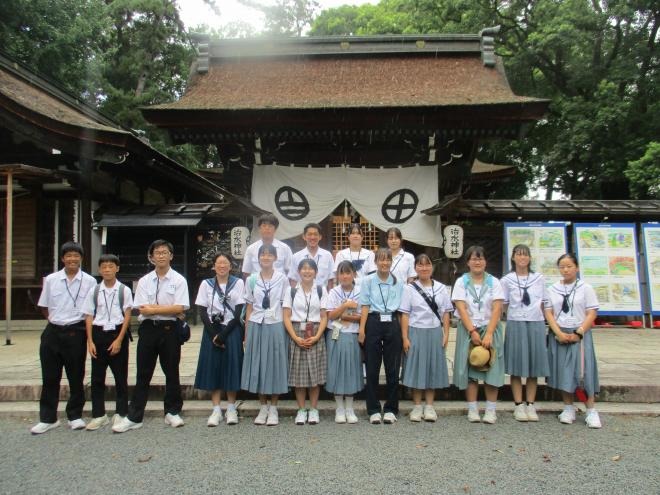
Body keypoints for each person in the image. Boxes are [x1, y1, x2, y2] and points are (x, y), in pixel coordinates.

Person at [113, 240, 190, 433]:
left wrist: (155, 308)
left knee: (172, 371)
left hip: (170, 330)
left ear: (171, 256)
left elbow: (180, 308)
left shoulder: (179, 280)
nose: (161, 255)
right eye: (157, 252)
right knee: (143, 373)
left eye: (165, 252)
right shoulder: (145, 281)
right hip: (148, 330)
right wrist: (166, 309)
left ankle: (172, 411)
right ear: (151, 257)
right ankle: (135, 416)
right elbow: (142, 309)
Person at [31, 241, 97, 434]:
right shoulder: (51, 279)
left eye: (76, 256)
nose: (72, 259)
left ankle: (75, 415)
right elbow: (44, 305)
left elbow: (92, 310)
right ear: (62, 258)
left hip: (76, 331)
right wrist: (54, 321)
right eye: (68, 255)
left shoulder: (90, 281)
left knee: (76, 375)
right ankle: (48, 418)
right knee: (50, 376)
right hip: (53, 331)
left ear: (81, 259)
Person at [544, 253, 601, 428]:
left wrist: (580, 332)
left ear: (576, 267)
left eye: (569, 266)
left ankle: (591, 410)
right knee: (562, 371)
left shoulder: (586, 288)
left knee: (583, 372)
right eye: (562, 266)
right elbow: (548, 312)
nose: (566, 269)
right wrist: (558, 333)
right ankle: (568, 407)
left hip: (580, 334)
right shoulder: (552, 289)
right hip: (559, 333)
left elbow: (592, 312)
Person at [452, 246, 505, 424]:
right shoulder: (461, 282)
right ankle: (472, 409)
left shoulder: (494, 282)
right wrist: (472, 331)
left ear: (485, 261)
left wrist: (489, 333)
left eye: (480, 258)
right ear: (467, 262)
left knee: (492, 369)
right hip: (469, 329)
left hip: (490, 328)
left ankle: (491, 410)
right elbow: (461, 307)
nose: (477, 262)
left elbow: (497, 307)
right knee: (471, 371)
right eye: (473, 259)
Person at [83, 254, 133, 431]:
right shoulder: (94, 291)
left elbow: (127, 315)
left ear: (117, 268)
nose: (107, 270)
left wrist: (120, 339)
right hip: (98, 333)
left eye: (111, 266)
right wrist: (90, 341)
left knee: (120, 376)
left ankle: (121, 412)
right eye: (104, 267)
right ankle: (99, 414)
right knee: (97, 377)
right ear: (99, 270)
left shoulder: (123, 290)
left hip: (117, 333)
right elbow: (89, 316)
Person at [193, 253, 245, 426]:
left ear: (231, 266)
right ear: (214, 266)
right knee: (213, 368)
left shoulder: (238, 283)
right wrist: (213, 334)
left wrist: (223, 336)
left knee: (232, 367)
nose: (222, 266)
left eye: (225, 263)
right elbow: (201, 310)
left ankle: (231, 407)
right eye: (219, 263)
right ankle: (216, 409)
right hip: (211, 330)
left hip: (231, 329)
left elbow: (238, 313)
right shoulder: (206, 284)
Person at [241, 244, 289, 426]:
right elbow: (249, 306)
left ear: (275, 258)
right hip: (256, 324)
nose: (266, 257)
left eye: (270, 254)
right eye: (263, 254)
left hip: (276, 324)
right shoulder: (252, 280)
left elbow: (285, 306)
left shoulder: (282, 279)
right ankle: (263, 407)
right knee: (258, 363)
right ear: (258, 258)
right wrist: (246, 333)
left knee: (275, 364)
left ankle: (274, 407)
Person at [400, 254, 453, 422]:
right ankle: (417, 406)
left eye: (427, 264)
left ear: (432, 267)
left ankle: (429, 406)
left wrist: (446, 334)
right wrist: (405, 337)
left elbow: (445, 314)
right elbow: (405, 315)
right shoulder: (409, 288)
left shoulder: (441, 288)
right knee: (417, 368)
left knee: (432, 367)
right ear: (415, 268)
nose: (424, 268)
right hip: (416, 331)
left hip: (435, 331)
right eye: (420, 265)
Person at [501, 244, 549, 422]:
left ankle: (531, 404)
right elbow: (503, 304)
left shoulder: (539, 278)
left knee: (533, 367)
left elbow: (545, 302)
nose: (522, 258)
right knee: (516, 366)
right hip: (516, 323)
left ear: (529, 258)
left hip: (536, 323)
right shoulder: (507, 280)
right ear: (513, 258)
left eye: (525, 255)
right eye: (518, 255)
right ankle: (518, 404)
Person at [358, 247, 404, 424]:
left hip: (392, 322)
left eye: (388, 259)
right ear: (375, 261)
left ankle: (391, 408)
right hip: (373, 321)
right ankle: (373, 409)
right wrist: (362, 330)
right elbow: (364, 305)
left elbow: (401, 309)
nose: (384, 263)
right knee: (372, 367)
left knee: (393, 367)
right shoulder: (368, 280)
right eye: (381, 259)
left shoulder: (398, 282)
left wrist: (402, 332)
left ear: (391, 262)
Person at [283, 259, 328, 425]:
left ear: (315, 272)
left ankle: (314, 409)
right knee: (298, 375)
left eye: (310, 269)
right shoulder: (291, 291)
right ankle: (301, 410)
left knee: (314, 374)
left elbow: (324, 316)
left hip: (315, 332)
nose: (307, 271)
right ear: (299, 271)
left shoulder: (321, 290)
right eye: (304, 269)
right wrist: (295, 337)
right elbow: (286, 316)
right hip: (296, 332)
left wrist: (317, 337)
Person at [325, 261, 363, 424]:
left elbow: (363, 316)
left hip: (353, 335)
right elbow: (330, 315)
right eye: (342, 273)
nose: (345, 276)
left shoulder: (361, 292)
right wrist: (347, 306)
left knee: (351, 370)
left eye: (348, 273)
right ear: (337, 276)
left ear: (354, 274)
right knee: (337, 369)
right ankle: (339, 408)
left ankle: (349, 407)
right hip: (336, 335)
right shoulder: (333, 292)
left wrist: (343, 314)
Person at [241, 213, 293, 278]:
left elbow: (290, 271)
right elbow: (246, 272)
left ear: (275, 229)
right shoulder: (251, 249)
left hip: (279, 285)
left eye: (270, 226)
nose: (267, 228)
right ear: (260, 228)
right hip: (257, 285)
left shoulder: (285, 248)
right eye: (264, 225)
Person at [290, 222, 334, 290]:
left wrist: (329, 298)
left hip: (322, 296)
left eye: (315, 234)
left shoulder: (327, 256)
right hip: (302, 296)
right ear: (304, 237)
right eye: (309, 234)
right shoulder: (296, 257)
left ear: (320, 237)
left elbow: (330, 280)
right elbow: (293, 280)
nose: (312, 237)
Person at [333, 223, 375, 288]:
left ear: (362, 237)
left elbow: (372, 276)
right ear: (348, 236)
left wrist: (358, 282)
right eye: (353, 233)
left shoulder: (370, 254)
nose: (355, 236)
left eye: (358, 233)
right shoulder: (341, 254)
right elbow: (338, 275)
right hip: (345, 290)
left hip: (364, 290)